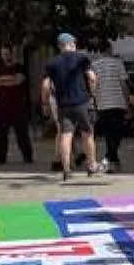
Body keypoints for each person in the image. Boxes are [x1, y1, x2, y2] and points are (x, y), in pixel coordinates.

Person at [41, 32, 99, 181]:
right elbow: (92, 77)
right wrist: (92, 92)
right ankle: (91, 165)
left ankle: (66, 169)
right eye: (74, 43)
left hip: (63, 105)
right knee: (87, 133)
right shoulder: (81, 58)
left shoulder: (52, 63)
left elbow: (46, 85)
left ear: (60, 46)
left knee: (66, 135)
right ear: (71, 44)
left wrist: (45, 103)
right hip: (81, 102)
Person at [91, 43, 134, 173]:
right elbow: (123, 84)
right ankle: (109, 158)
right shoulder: (118, 63)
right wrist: (128, 103)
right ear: (110, 49)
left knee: (109, 134)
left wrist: (95, 100)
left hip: (102, 103)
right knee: (118, 132)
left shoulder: (94, 65)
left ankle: (113, 161)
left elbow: (93, 85)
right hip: (117, 102)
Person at [0, 46, 33, 164]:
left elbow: (19, 80)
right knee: (2, 134)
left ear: (11, 54)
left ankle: (27, 156)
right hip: (2, 107)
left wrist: (2, 80)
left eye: (7, 54)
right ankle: (0, 158)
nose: (5, 56)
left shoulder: (19, 67)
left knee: (22, 133)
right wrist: (10, 79)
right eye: (3, 54)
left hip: (18, 106)